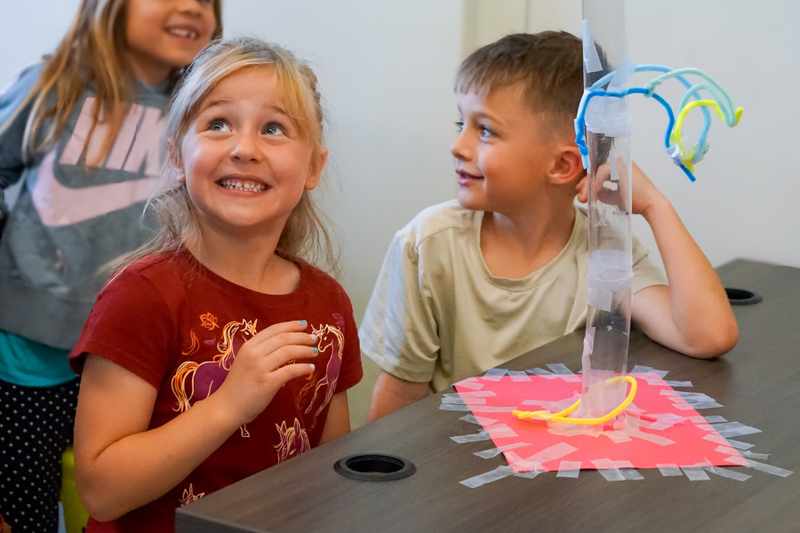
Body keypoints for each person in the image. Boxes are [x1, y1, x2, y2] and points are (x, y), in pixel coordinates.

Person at [361, 32, 738, 422]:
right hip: (457, 461)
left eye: (485, 130)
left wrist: (656, 206)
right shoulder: (427, 243)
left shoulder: (603, 248)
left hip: (556, 469)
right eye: (462, 123)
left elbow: (708, 335)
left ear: (561, 166)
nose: (458, 145)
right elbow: (400, 395)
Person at [69, 37, 363, 532]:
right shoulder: (140, 297)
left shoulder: (329, 303)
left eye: (274, 129)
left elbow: (328, 468)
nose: (244, 148)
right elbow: (101, 491)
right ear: (178, 157)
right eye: (218, 124)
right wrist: (229, 403)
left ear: (314, 166)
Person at [0, 1, 220, 532]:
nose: (191, 6)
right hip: (29, 356)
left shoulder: (203, 109)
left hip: (135, 363)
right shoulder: (55, 86)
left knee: (124, 508)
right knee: (23, 514)